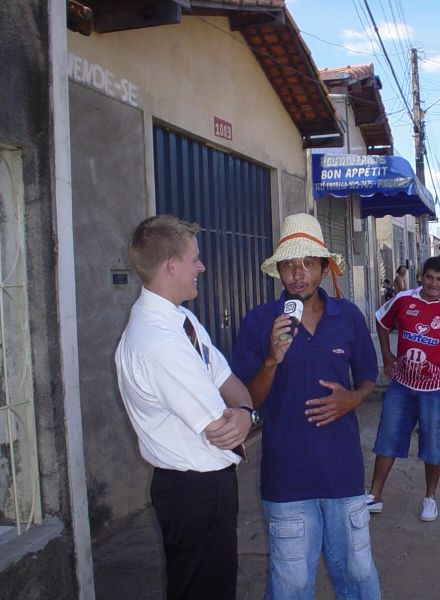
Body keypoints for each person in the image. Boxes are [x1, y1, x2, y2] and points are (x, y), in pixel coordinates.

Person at [231, 213, 380, 600]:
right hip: (286, 477)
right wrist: (270, 360)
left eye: (307, 264)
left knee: (359, 574)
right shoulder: (258, 322)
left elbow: (368, 376)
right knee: (292, 584)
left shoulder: (348, 317)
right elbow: (246, 401)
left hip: (343, 473)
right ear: (278, 271)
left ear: (324, 267)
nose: (298, 274)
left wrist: (352, 399)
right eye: (288, 265)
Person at [115, 215, 255, 600]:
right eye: (195, 258)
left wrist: (245, 412)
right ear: (171, 266)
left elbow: (231, 385)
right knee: (201, 589)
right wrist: (244, 414)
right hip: (194, 489)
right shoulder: (158, 342)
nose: (202, 267)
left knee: (213, 584)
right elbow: (222, 428)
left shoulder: (183, 320)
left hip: (204, 486)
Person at [367, 255, 440, 522]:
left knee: (434, 444)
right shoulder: (404, 299)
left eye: (439, 279)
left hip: (435, 389)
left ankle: (430, 498)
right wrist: (386, 355)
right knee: (387, 437)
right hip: (401, 386)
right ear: (422, 276)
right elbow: (381, 321)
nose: (433, 283)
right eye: (429, 277)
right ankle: (374, 496)